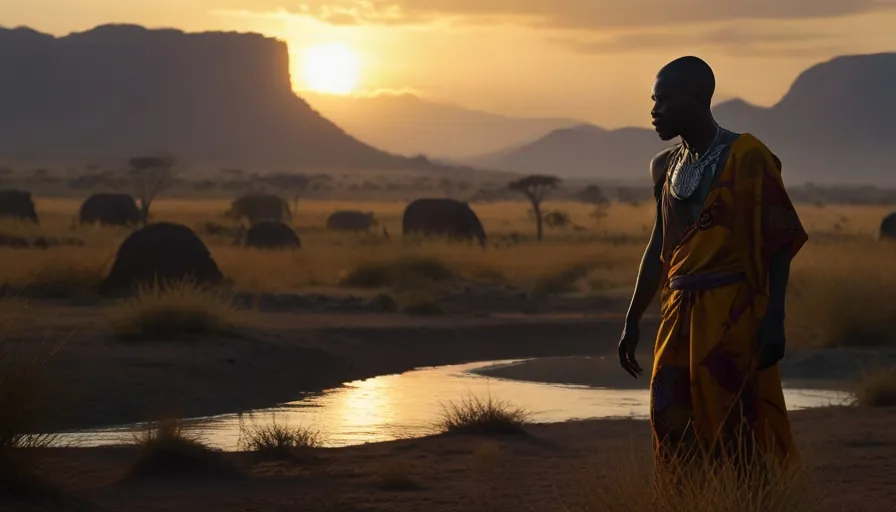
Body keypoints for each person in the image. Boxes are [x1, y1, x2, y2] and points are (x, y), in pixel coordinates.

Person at [617, 56, 808, 472]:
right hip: (676, 317)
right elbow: (658, 249)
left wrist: (775, 316)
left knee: (736, 428)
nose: (654, 110)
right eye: (653, 100)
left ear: (699, 96)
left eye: (664, 100)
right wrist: (632, 319)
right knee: (670, 424)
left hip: (734, 314)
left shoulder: (747, 156)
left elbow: (778, 239)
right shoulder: (663, 167)